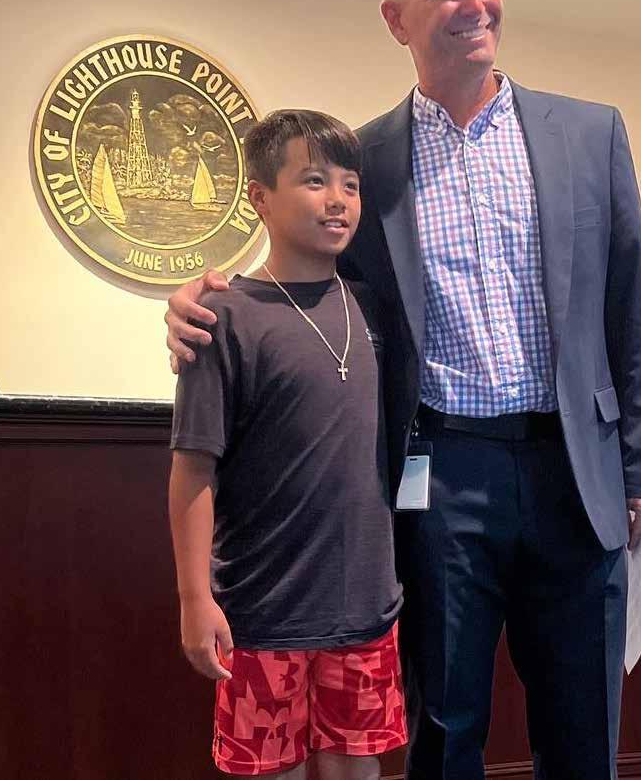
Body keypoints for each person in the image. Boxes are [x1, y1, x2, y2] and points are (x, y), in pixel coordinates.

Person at [166, 0, 641, 780]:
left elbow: (633, 305)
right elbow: (306, 272)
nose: (474, 3)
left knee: (583, 726)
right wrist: (199, 301)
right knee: (443, 725)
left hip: (576, 471)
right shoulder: (366, 161)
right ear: (395, 19)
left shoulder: (590, 134)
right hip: (437, 476)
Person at [169, 110, 406, 779]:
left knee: (356, 770)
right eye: (313, 180)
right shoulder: (222, 317)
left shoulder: (375, 306)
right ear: (260, 197)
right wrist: (194, 599)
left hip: (366, 607)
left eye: (350, 185)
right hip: (262, 609)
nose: (338, 199)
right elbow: (193, 470)